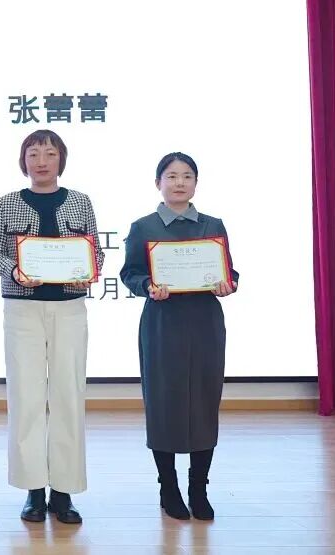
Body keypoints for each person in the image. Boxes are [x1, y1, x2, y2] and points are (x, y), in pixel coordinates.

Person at [0, 129, 104, 524]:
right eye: (33, 153)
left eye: (49, 153)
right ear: (24, 160)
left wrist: (89, 269)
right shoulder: (8, 202)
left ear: (60, 159)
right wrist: (14, 270)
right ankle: (33, 490)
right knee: (26, 397)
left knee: (69, 395)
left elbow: (96, 252)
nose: (41, 161)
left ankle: (64, 492)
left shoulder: (81, 201)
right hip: (23, 309)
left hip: (69, 308)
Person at [119, 152, 238, 521]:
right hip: (162, 323)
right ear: (158, 183)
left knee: (204, 401)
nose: (180, 183)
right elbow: (130, 273)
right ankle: (168, 487)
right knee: (164, 403)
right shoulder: (143, 227)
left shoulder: (212, 225)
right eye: (171, 176)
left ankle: (198, 489)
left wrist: (228, 283)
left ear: (196, 183)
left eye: (187, 176)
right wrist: (147, 286)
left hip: (204, 322)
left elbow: (229, 271)